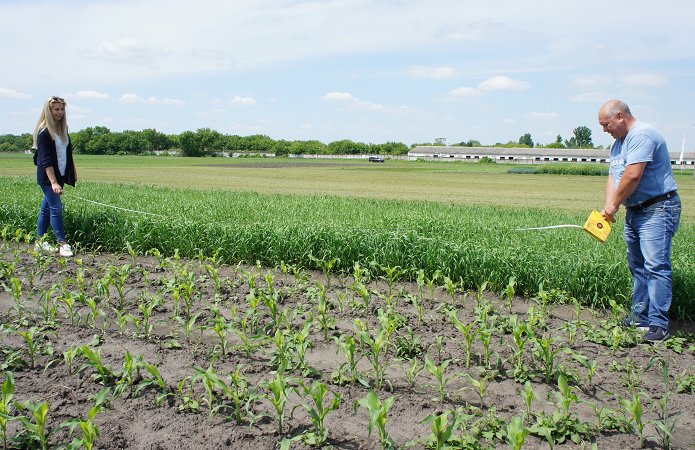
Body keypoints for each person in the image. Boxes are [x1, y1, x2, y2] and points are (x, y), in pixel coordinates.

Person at [598, 99, 681, 342]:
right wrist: (607, 206)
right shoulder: (617, 145)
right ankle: (640, 316)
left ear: (620, 116)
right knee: (638, 265)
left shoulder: (642, 135)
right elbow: (614, 177)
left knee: (656, 265)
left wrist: (614, 205)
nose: (605, 130)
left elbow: (633, 175)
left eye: (606, 124)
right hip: (635, 211)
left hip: (658, 208)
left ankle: (659, 325)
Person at [32, 96, 77, 257]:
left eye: (62, 109)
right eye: (56, 109)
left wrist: (71, 174)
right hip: (48, 179)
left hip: (60, 176)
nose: (60, 112)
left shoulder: (63, 129)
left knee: (46, 208)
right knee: (56, 208)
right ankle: (62, 243)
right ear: (48, 110)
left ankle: (39, 242)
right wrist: (53, 182)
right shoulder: (44, 132)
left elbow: (67, 154)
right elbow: (46, 160)